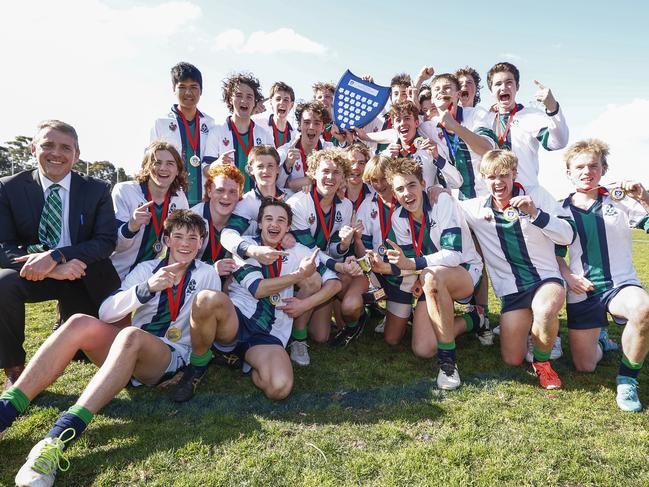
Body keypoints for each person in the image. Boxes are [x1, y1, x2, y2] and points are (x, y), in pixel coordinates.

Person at [1, 210, 218, 486]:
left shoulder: (208, 274)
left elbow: (207, 325)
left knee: (131, 335)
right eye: (178, 236)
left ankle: (57, 438)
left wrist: (192, 368)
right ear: (166, 240)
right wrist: (146, 288)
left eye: (192, 238)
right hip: (128, 351)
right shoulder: (145, 269)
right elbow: (105, 312)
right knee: (79, 322)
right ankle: (5, 410)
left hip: (166, 357)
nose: (185, 243)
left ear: (201, 243)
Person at [172, 198, 342, 402]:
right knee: (206, 299)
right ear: (260, 223)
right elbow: (258, 289)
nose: (274, 224)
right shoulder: (247, 247)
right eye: (268, 218)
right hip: (237, 321)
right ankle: (197, 367)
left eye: (281, 220)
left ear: (288, 227)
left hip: (269, 332)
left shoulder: (298, 251)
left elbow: (335, 283)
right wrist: (298, 275)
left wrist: (305, 304)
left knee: (279, 387)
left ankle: (244, 361)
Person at [0, 120, 120, 390]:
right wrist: (49, 269)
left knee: (84, 350)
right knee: (3, 284)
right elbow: (3, 244)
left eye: (66, 147)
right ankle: (15, 369)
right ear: (33, 149)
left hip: (81, 269)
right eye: (48, 145)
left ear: (76, 155)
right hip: (34, 271)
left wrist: (57, 256)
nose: (57, 153)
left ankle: (66, 322)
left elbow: (105, 241)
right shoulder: (8, 188)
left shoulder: (97, 189)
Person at [459, 150, 575, 389]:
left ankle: (543, 364)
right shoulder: (475, 208)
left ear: (514, 174)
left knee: (544, 310)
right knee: (512, 359)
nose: (498, 182)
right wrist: (435, 190)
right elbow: (444, 202)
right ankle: (537, 331)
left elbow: (568, 235)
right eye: (491, 177)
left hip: (544, 279)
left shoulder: (536, 196)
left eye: (503, 175)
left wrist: (535, 214)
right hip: (512, 290)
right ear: (483, 178)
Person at [368, 158, 483, 389]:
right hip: (430, 276)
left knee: (431, 276)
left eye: (411, 185)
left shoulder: (441, 201)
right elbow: (408, 263)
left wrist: (412, 265)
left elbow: (453, 255)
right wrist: (386, 268)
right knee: (422, 348)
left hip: (465, 271)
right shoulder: (398, 218)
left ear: (422, 183)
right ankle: (475, 319)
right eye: (399, 189)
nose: (406, 193)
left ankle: (448, 364)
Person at [557, 139, 649, 412]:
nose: (587, 171)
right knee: (585, 366)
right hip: (582, 289)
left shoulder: (621, 201)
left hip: (621, 285)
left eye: (593, 166)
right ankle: (600, 338)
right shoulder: (559, 209)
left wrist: (644, 196)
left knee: (644, 309)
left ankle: (627, 379)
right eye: (580, 167)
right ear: (569, 172)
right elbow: (553, 253)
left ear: (604, 169)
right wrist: (569, 277)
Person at [286, 148, 364, 360]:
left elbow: (333, 249)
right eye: (325, 171)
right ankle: (298, 340)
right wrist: (338, 266)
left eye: (337, 172)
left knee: (321, 336)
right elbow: (309, 250)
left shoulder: (345, 205)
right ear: (313, 172)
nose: (330, 177)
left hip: (324, 265)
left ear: (343, 177)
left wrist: (344, 244)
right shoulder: (298, 203)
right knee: (321, 278)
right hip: (299, 266)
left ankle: (335, 316)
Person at [476, 62, 569, 188]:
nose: (503, 87)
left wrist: (552, 107)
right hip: (494, 196)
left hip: (526, 194)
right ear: (491, 90)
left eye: (509, 82)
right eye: (498, 84)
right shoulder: (484, 119)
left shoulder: (532, 116)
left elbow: (558, 143)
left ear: (517, 86)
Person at [111, 140, 189, 279]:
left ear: (177, 170)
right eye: (157, 162)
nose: (163, 168)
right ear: (146, 167)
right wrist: (131, 226)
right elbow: (115, 245)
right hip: (116, 273)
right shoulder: (124, 191)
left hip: (149, 275)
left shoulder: (179, 198)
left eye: (170, 163)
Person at [150, 62, 217, 206]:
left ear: (201, 90)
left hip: (205, 201)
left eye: (193, 87)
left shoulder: (211, 124)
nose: (188, 92)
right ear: (174, 89)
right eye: (182, 87)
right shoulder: (161, 123)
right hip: (172, 200)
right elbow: (150, 164)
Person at [209, 72, 274, 193]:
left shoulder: (264, 135)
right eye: (238, 95)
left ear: (255, 101)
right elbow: (205, 168)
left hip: (255, 202)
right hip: (227, 201)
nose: (244, 100)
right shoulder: (216, 132)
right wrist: (217, 164)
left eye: (249, 96)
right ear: (230, 99)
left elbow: (273, 168)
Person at [277, 101, 334, 192]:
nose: (311, 127)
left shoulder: (330, 150)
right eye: (307, 122)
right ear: (299, 125)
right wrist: (287, 165)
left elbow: (339, 180)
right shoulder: (285, 151)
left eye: (317, 123)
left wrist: (296, 183)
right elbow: (277, 186)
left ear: (323, 127)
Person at [253, 82, 296, 148]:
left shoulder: (294, 135)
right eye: (278, 99)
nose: (282, 102)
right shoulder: (257, 123)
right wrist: (251, 111)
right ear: (271, 102)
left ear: (291, 105)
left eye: (286, 100)